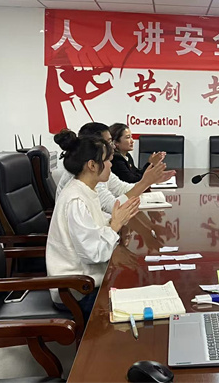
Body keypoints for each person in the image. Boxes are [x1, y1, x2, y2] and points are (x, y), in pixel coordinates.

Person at [47, 130, 141, 322]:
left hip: (88, 280)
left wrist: (113, 222)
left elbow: (94, 230)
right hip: (77, 291)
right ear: (91, 165)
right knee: (139, 302)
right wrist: (114, 225)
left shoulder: (85, 190)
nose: (111, 165)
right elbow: (93, 254)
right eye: (107, 160)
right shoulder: (76, 199)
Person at [56, 122, 174, 213]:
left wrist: (148, 181)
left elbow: (122, 189)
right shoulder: (84, 174)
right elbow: (112, 207)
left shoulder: (98, 168)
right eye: (108, 142)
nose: (112, 147)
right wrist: (145, 182)